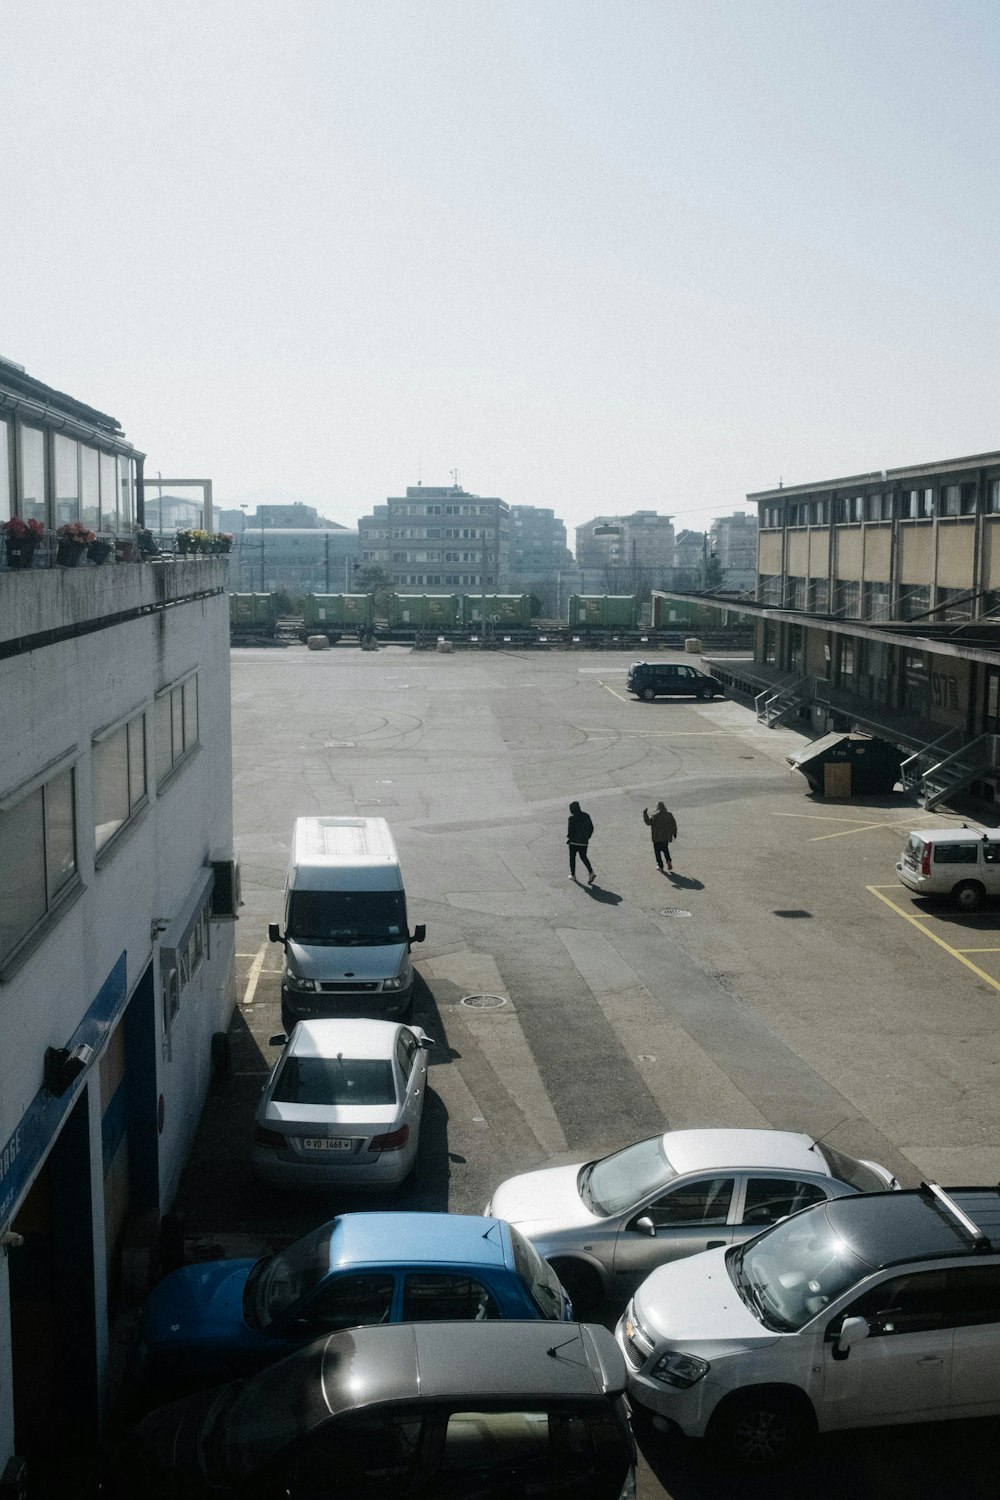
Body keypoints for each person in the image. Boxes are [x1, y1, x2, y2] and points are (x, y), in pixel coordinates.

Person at [643, 801, 678, 872]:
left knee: (657, 852)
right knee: (666, 850)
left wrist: (645, 814)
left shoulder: (655, 815)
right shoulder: (669, 815)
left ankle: (660, 866)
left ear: (657, 807)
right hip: (665, 837)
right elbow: (673, 824)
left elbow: (648, 822)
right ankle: (668, 861)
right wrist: (674, 833)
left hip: (656, 837)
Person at [567, 801, 595, 884]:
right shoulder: (586, 816)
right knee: (583, 857)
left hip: (574, 842)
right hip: (584, 841)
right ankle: (591, 872)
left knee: (572, 857)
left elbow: (570, 830)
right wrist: (587, 837)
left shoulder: (572, 818)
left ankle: (573, 875)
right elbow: (591, 828)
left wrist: (569, 838)